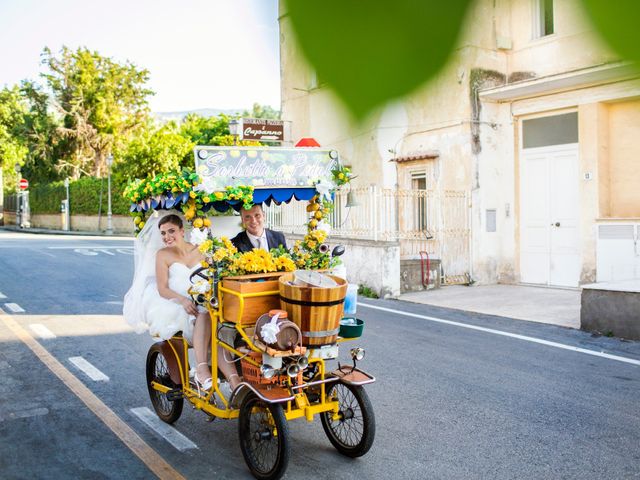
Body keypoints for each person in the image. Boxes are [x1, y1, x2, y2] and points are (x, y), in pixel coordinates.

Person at [123, 211, 240, 392]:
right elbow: (162, 288)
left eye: (171, 231)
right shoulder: (162, 255)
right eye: (163, 233)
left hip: (205, 299)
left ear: (182, 231)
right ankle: (202, 369)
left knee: (219, 330)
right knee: (204, 312)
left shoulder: (201, 249)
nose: (167, 237)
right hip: (177, 304)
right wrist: (183, 301)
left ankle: (236, 384)